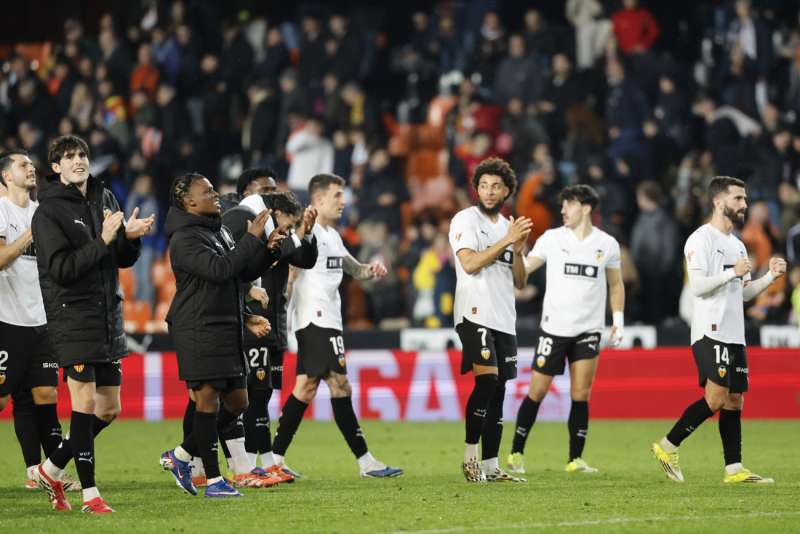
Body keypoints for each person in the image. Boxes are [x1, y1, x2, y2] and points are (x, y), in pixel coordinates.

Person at [31, 135, 154, 513]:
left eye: (81, 154)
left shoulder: (104, 198)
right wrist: (102, 239)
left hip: (106, 316)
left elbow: (118, 258)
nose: (78, 161)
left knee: (108, 409)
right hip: (72, 314)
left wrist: (128, 240)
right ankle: (90, 495)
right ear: (56, 168)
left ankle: (50, 469)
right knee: (83, 403)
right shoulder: (48, 213)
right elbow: (62, 269)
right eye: (68, 157)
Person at [652, 176, 786, 484]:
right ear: (718, 202)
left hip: (734, 331)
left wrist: (768, 278)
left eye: (745, 199)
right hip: (709, 330)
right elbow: (698, 287)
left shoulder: (736, 244)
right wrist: (731, 273)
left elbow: (742, 293)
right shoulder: (701, 239)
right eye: (738, 198)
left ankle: (734, 469)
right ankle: (666, 445)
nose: (744, 204)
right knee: (715, 398)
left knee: (734, 399)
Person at [270, 173, 403, 478]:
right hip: (316, 318)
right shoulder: (308, 232)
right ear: (318, 201)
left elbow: (354, 270)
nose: (344, 201)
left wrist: (372, 269)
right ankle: (366, 462)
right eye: (337, 196)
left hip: (326, 319)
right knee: (339, 384)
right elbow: (292, 262)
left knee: (305, 388)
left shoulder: (333, 235)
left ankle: (274, 459)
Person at [158, 173, 280, 497]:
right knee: (207, 400)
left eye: (212, 188)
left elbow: (238, 272)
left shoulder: (219, 230)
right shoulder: (183, 239)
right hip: (198, 326)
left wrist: (266, 250)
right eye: (207, 190)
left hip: (225, 323)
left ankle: (181, 455)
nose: (215, 194)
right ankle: (213, 480)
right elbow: (218, 271)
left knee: (239, 401)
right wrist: (251, 239)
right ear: (189, 201)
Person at [507, 184, 625, 475]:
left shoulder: (607, 244)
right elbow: (523, 273)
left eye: (568, 204)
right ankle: (515, 453)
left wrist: (618, 320)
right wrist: (516, 254)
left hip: (589, 329)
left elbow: (616, 284)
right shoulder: (551, 239)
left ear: (585, 207)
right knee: (538, 390)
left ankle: (575, 459)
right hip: (554, 329)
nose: (562, 210)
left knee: (581, 393)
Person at [223, 190, 318, 481]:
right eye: (288, 225)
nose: (288, 232)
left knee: (261, 395)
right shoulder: (242, 221)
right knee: (249, 395)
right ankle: (237, 464)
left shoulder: (270, 230)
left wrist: (307, 234)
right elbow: (228, 269)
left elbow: (302, 258)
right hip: (249, 321)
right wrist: (246, 294)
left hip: (272, 321)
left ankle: (262, 462)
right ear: (273, 210)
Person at [448, 157, 532, 482]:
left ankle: (491, 467)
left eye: (496, 186)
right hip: (474, 312)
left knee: (499, 389)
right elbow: (469, 264)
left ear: (507, 190)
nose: (488, 191)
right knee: (486, 381)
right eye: (483, 185)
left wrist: (520, 249)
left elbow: (521, 281)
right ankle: (470, 457)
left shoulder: (507, 227)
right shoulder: (465, 220)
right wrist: (506, 241)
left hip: (503, 317)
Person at [0, 150, 75, 491]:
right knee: (4, 399)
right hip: (6, 321)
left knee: (44, 395)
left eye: (31, 164)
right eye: (22, 165)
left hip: (43, 321)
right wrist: (32, 233)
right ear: (6, 176)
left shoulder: (43, 212)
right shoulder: (2, 210)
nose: (30, 168)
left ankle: (45, 472)